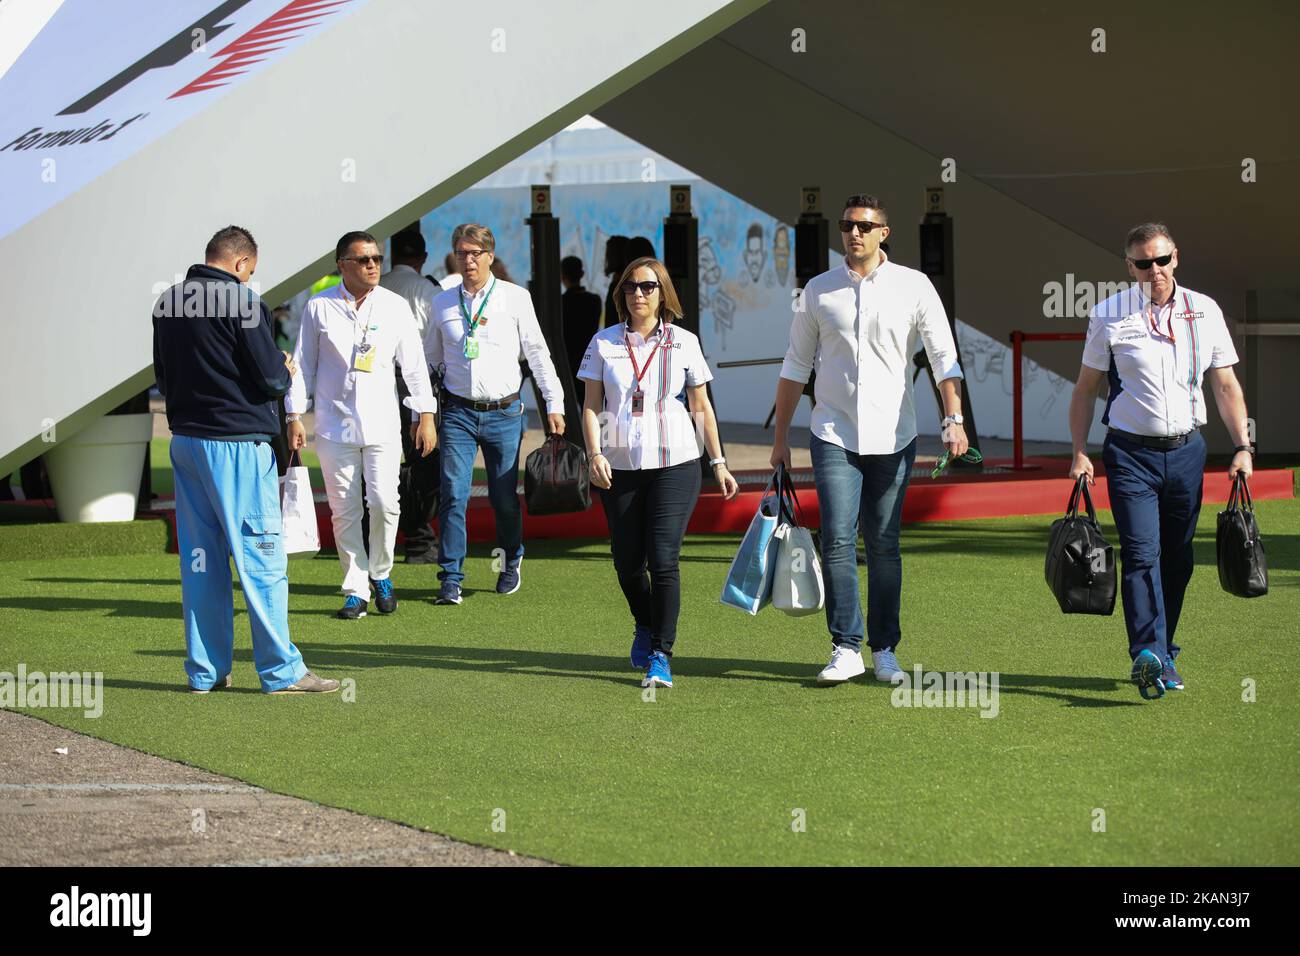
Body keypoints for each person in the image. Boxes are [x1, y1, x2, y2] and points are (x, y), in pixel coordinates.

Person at [770, 194, 968, 685]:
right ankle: (845, 647)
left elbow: (944, 358)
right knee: (837, 539)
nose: (854, 233)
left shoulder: (914, 285)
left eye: (864, 225)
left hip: (895, 435)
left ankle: (885, 650)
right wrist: (779, 440)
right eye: (847, 225)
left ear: (885, 232)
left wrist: (954, 418)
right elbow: (795, 366)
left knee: (883, 545)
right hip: (833, 432)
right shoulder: (819, 290)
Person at [1068, 223, 1253, 700]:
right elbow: (1086, 388)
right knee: (1142, 553)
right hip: (1129, 453)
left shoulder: (1205, 310)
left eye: (1163, 260)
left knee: (1179, 558)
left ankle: (1165, 648)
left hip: (1188, 452)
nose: (1156, 271)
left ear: (1177, 257)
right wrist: (1079, 452)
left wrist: (1242, 447)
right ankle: (1146, 652)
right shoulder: (1108, 314)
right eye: (1144, 263)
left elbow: (1225, 384)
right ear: (1129, 267)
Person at [151, 225, 336, 694]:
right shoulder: (243, 302)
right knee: (261, 559)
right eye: (250, 271)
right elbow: (273, 379)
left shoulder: (168, 301)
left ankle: (207, 672)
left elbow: (162, 374)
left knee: (201, 561)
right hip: (237, 443)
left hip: (187, 441)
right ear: (239, 263)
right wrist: (284, 365)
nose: (250, 278)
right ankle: (281, 671)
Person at [581, 257, 738, 689]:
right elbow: (592, 405)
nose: (639, 294)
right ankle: (645, 624)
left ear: (662, 292)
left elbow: (701, 407)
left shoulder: (684, 342)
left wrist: (719, 462)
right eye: (630, 287)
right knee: (628, 562)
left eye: (648, 287)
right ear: (621, 294)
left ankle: (661, 654)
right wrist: (594, 454)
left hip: (677, 464)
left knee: (664, 559)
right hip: (619, 466)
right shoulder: (603, 343)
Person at [287, 231, 437, 619]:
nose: (373, 265)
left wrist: (426, 415)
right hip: (334, 424)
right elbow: (303, 366)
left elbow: (415, 366)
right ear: (343, 265)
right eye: (364, 259)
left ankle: (381, 573)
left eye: (376, 258)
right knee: (344, 509)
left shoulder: (394, 305)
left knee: (386, 503)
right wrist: (293, 415)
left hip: (383, 422)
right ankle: (355, 588)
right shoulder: (318, 307)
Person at [423, 223, 565, 605]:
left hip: (505, 412)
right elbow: (431, 360)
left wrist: (554, 403)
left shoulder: (515, 298)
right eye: (461, 253)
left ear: (489, 255)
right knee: (454, 493)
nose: (468, 260)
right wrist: (423, 410)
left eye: (475, 253)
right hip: (458, 413)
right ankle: (451, 576)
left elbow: (537, 354)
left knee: (503, 497)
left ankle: (509, 559)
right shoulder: (441, 302)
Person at [379, 229, 441, 563]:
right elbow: (438, 338)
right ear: (423, 258)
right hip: (414, 380)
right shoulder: (426, 290)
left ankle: (375, 536)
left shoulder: (378, 286)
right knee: (422, 459)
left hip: (377, 382)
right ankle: (419, 539)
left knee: (378, 459)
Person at [560, 255, 601, 387]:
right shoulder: (594, 300)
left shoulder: (560, 303)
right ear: (582, 274)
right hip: (588, 359)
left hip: (565, 361)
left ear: (562, 276)